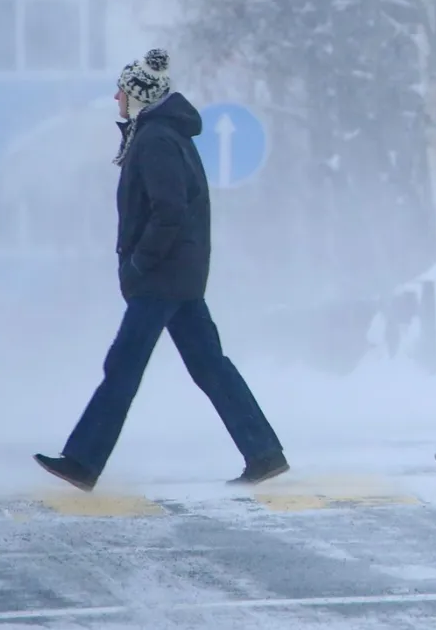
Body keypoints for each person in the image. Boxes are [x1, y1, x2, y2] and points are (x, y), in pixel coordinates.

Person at [34, 49, 288, 491]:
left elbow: (168, 212)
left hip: (162, 278)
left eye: (122, 91)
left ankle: (82, 461)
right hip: (179, 276)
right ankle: (264, 453)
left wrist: (139, 262)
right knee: (211, 366)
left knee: (124, 365)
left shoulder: (154, 140)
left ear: (137, 97)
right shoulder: (167, 136)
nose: (116, 97)